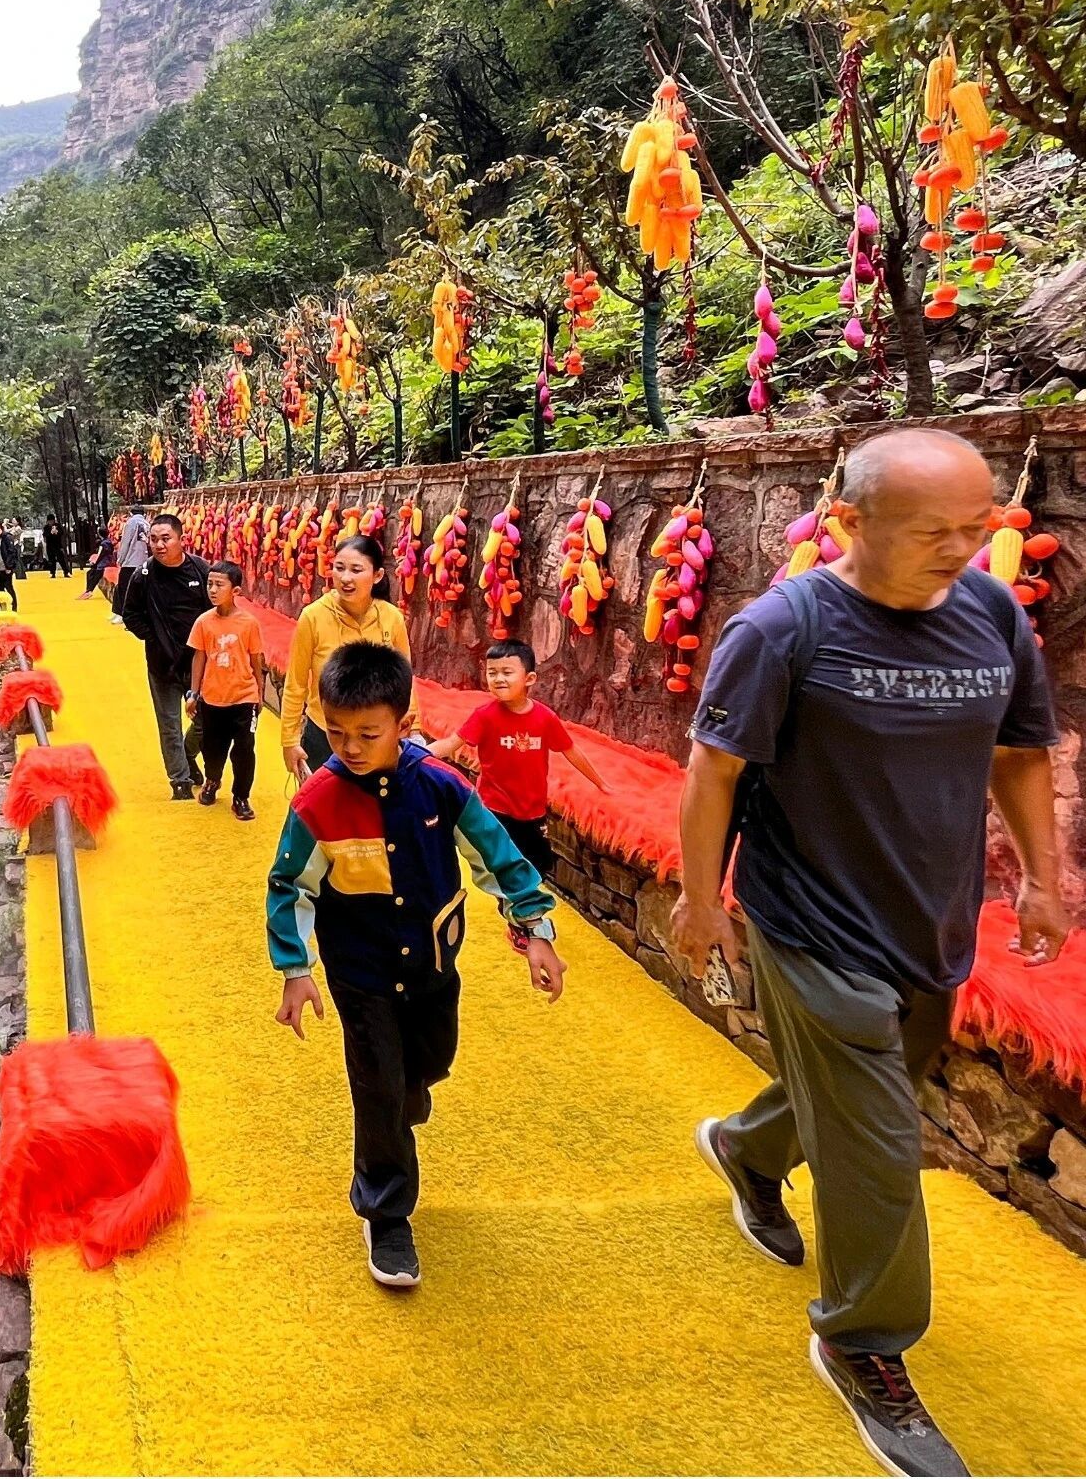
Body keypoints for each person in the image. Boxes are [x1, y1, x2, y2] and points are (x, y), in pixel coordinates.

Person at [674, 428, 1066, 1479]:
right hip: (807, 922)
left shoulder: (987, 611)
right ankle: (860, 1340)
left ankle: (749, 1150)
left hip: (926, 926)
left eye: (975, 527)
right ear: (845, 523)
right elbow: (712, 770)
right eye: (930, 530)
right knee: (884, 1141)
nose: (959, 548)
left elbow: (1021, 750)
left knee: (864, 1092)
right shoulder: (782, 628)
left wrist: (1040, 875)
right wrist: (697, 899)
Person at [267, 643, 566, 1289]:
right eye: (337, 732)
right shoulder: (318, 803)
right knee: (378, 1086)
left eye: (367, 734)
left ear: (404, 727)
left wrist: (535, 927)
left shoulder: (442, 786)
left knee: (427, 1064)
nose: (348, 747)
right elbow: (291, 887)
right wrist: (296, 968)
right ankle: (386, 1209)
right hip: (362, 973)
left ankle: (406, 1097)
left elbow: (500, 856)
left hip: (433, 964)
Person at [429, 639, 610, 878]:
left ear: (530, 679)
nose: (498, 679)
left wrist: (601, 783)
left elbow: (571, 751)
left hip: (533, 812)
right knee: (501, 871)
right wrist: (411, 753)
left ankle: (523, 909)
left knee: (538, 867)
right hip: (495, 809)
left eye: (507, 672)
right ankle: (511, 910)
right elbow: (452, 743)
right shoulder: (485, 716)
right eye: (492, 672)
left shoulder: (545, 718)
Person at [280, 534, 419, 782]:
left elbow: (405, 679)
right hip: (325, 732)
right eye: (339, 567)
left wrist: (412, 728)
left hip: (377, 737)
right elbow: (296, 683)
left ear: (377, 576)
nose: (345, 578)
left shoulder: (392, 617)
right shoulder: (313, 616)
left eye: (356, 570)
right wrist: (289, 740)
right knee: (322, 812)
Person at [122, 512, 209, 799]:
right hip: (161, 664)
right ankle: (179, 780)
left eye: (166, 538)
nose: (159, 545)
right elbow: (130, 615)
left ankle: (187, 753)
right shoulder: (143, 575)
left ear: (181, 539)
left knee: (206, 720)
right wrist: (154, 636)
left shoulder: (200, 571)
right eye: (154, 539)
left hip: (198, 663)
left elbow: (216, 611)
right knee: (169, 724)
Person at [186, 562, 265, 819]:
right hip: (212, 699)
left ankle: (241, 797)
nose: (212, 589)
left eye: (219, 584)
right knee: (212, 748)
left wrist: (259, 695)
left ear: (236, 590)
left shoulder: (249, 623)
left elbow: (256, 660)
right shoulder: (203, 622)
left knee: (244, 748)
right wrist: (193, 694)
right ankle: (212, 780)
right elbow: (199, 659)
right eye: (210, 583)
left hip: (244, 697)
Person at [111, 507, 149, 625]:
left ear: (131, 513)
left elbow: (125, 542)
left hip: (130, 561)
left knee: (123, 588)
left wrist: (120, 558)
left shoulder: (131, 522)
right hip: (143, 561)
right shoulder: (147, 524)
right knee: (139, 589)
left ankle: (122, 614)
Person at [78, 528, 115, 602]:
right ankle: (88, 590)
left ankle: (89, 590)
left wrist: (96, 563)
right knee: (91, 573)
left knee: (94, 575)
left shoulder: (103, 544)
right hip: (106, 561)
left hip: (102, 563)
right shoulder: (108, 542)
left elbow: (101, 554)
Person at [42, 512, 73, 578]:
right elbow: (45, 535)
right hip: (50, 546)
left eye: (52, 521)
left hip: (57, 545)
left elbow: (62, 533)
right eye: (49, 521)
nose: (51, 522)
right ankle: (53, 573)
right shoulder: (46, 527)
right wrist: (51, 533)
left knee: (61, 559)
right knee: (51, 560)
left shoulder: (58, 526)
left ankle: (65, 572)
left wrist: (57, 532)